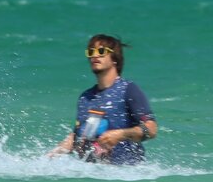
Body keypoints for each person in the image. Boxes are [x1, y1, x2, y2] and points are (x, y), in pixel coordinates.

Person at [48, 34, 157, 165]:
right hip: (95, 174)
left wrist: (121, 134)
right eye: (90, 52)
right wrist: (51, 156)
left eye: (101, 51)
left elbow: (151, 129)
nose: (94, 55)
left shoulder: (128, 89)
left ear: (114, 58)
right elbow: (77, 137)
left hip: (126, 173)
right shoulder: (85, 97)